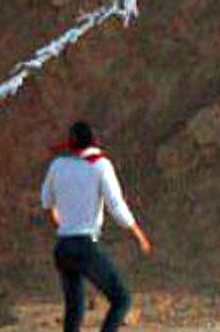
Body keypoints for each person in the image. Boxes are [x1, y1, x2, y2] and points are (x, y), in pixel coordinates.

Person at [40, 121, 154, 332]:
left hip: (63, 246)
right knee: (121, 299)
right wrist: (138, 234)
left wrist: (61, 225)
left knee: (74, 309)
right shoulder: (100, 165)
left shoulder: (57, 166)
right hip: (86, 246)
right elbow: (116, 206)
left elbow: (46, 202)